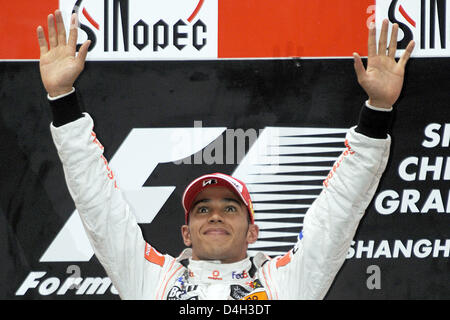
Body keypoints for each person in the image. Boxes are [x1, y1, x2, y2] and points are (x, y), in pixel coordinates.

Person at [37, 10, 415, 300]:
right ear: (186, 233)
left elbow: (339, 212)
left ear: (253, 231)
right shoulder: (153, 279)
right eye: (203, 209)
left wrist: (378, 111)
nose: (215, 214)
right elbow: (98, 206)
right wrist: (62, 99)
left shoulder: (283, 282)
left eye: (230, 208)